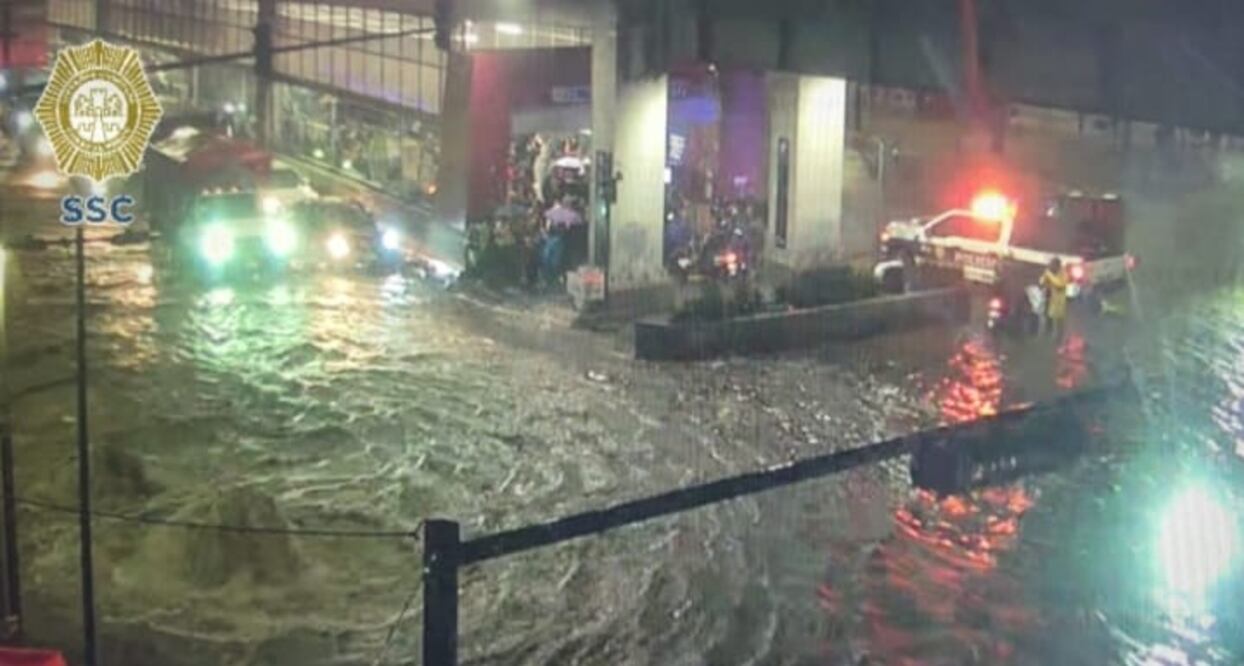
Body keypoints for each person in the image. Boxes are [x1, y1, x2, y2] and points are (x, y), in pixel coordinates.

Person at [1039, 257, 1069, 341]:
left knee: (1058, 319)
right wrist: (1045, 278)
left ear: (1058, 266)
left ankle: (1059, 337)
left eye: (1053, 265)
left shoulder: (1063, 273)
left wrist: (1049, 275)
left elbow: (1060, 284)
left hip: (1058, 301)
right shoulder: (1050, 272)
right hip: (1049, 298)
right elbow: (1041, 282)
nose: (1051, 267)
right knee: (1048, 316)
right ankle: (1048, 334)